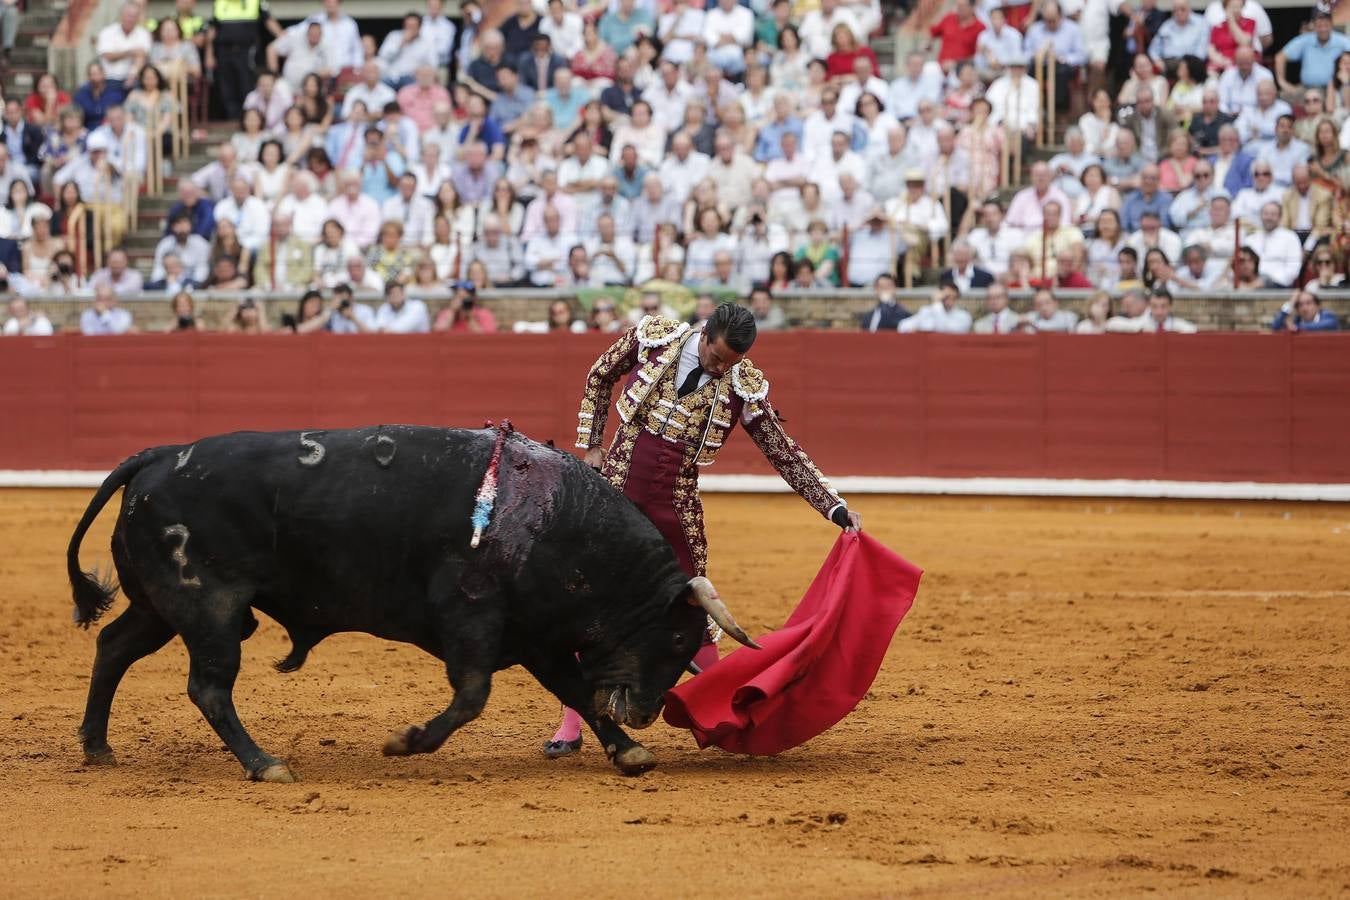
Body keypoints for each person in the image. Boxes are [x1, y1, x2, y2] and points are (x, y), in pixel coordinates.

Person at [548, 303, 859, 758]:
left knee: (697, 613)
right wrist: (592, 443)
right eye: (716, 357)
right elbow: (599, 375)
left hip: (677, 505)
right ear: (705, 333)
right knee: (586, 602)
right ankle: (571, 724)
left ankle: (718, 717)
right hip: (615, 495)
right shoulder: (654, 339)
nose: (720, 368)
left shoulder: (741, 385)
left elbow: (781, 450)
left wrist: (833, 507)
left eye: (730, 363)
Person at [206, 0, 281, 121]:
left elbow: (268, 21)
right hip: (224, 52)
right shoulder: (220, 2)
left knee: (246, 85)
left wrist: (283, 36)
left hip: (246, 51)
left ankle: (249, 118)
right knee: (227, 88)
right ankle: (233, 119)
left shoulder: (255, 2)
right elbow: (212, 29)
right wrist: (209, 54)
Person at [899, 280, 973, 333]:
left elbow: (942, 329)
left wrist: (937, 303)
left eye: (953, 297)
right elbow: (902, 326)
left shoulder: (964, 316)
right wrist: (915, 329)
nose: (949, 300)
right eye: (946, 296)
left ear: (957, 297)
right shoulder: (928, 310)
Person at [1272, 289, 1339, 332]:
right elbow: (1276, 327)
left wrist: (1297, 328)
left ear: (1318, 306)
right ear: (1297, 309)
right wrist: (1291, 302)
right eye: (1300, 305)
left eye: (1308, 303)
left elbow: (1328, 324)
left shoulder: (1327, 316)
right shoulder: (1297, 320)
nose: (1304, 308)